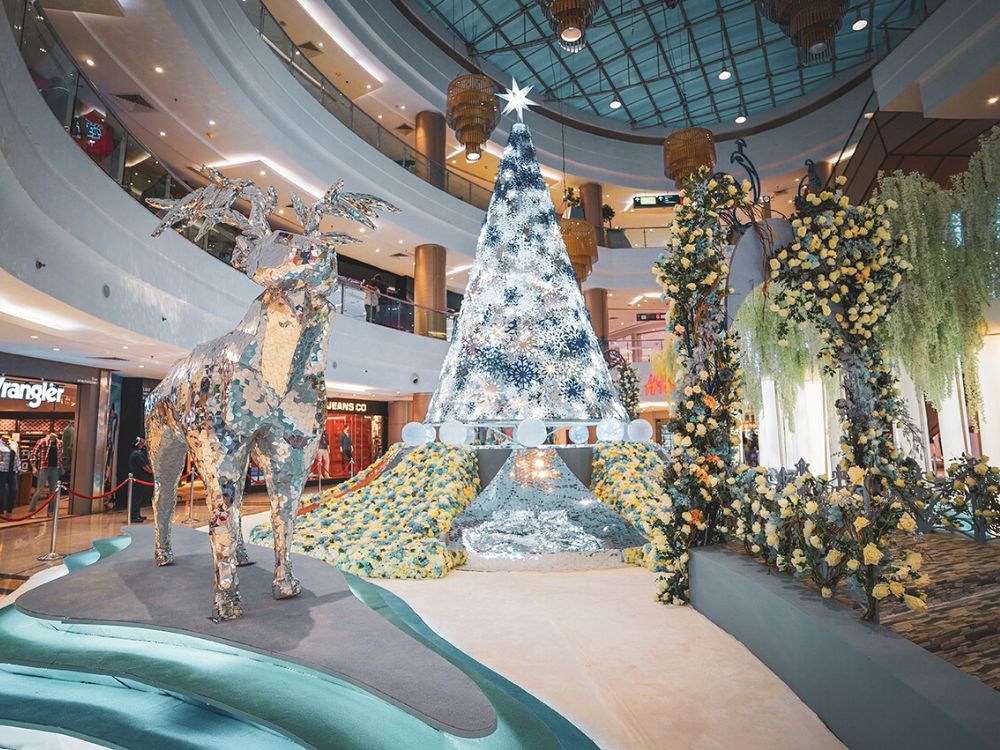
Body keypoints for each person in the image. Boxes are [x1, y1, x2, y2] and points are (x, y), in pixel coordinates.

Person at [29, 433, 63, 515]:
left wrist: (61, 467)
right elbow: (33, 454)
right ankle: (32, 509)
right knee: (39, 489)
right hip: (44, 468)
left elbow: (60, 456)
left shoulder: (59, 443)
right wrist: (34, 467)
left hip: (55, 468)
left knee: (53, 491)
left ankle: (50, 511)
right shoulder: (42, 441)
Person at [127, 437, 153, 523]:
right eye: (142, 443)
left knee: (138, 498)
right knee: (137, 498)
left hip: (138, 478)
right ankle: (134, 516)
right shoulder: (137, 454)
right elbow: (145, 467)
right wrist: (153, 472)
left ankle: (137, 514)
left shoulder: (136, 453)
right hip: (138, 479)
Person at [0, 436, 20, 515]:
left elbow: (17, 457)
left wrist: (19, 467)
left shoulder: (14, 444)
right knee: (2, 491)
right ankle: (0, 510)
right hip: (2, 471)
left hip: (12, 470)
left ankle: (9, 509)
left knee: (14, 490)